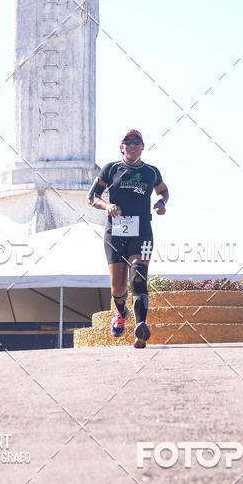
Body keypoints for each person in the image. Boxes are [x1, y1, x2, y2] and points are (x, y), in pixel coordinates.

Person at [87, 129, 169, 348]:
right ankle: (121, 314)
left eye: (137, 142)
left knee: (139, 276)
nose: (132, 145)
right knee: (118, 288)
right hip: (115, 232)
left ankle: (141, 326)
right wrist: (107, 205)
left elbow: (163, 190)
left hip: (142, 229)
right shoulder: (111, 168)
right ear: (121, 147)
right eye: (128, 142)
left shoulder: (151, 171)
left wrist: (161, 203)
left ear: (143, 146)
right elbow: (92, 197)